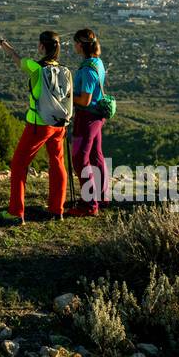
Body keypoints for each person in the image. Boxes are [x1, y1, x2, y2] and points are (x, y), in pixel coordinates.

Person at [0, 31, 72, 224]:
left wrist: (6, 46)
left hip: (39, 125)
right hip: (59, 124)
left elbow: (18, 59)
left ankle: (16, 213)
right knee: (57, 164)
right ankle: (57, 210)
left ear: (41, 47)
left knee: (19, 164)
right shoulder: (65, 70)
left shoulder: (36, 69)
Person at [69, 27, 108, 216]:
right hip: (97, 116)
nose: (73, 46)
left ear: (81, 45)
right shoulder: (97, 63)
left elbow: (84, 99)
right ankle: (101, 196)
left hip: (86, 117)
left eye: (75, 42)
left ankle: (89, 204)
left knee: (79, 158)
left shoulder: (87, 70)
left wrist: (66, 97)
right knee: (95, 155)